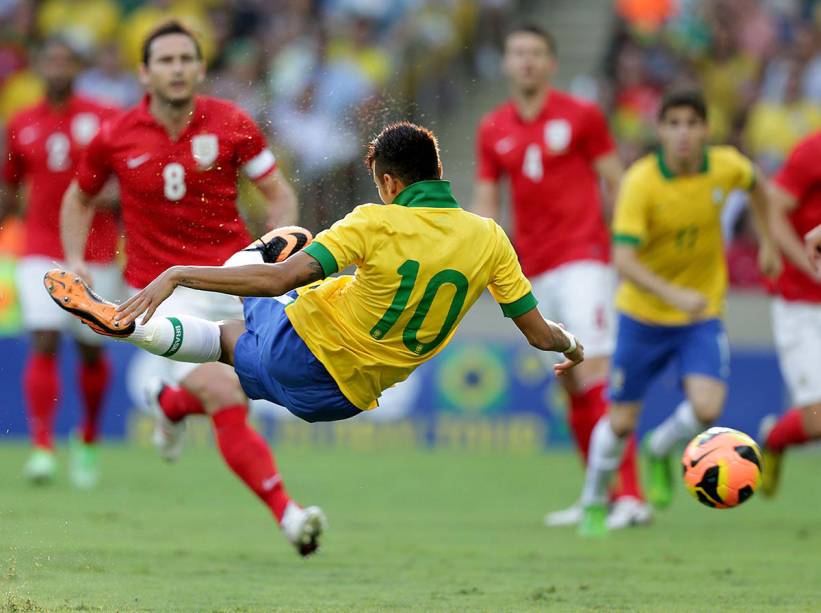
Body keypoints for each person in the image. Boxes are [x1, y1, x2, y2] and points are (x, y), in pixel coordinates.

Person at [46, 121, 585, 490]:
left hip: (300, 345)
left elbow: (276, 279)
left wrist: (178, 272)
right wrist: (572, 344)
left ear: (390, 182)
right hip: (338, 400)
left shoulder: (376, 220)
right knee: (226, 340)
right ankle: (129, 322)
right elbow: (540, 334)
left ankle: (129, 318)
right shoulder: (490, 239)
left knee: (251, 266)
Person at [59, 21, 319, 556]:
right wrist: (74, 260)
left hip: (238, 281)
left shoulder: (232, 123)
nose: (176, 68)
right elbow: (78, 198)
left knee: (258, 381)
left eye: (185, 59)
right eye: (165, 60)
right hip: (165, 292)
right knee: (225, 393)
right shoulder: (114, 135)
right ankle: (290, 517)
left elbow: (277, 194)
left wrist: (280, 247)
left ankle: (170, 405)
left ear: (200, 69)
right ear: (144, 72)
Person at [577, 89, 780, 536]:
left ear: (706, 129)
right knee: (619, 421)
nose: (683, 133)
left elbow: (759, 187)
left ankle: (661, 447)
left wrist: (767, 240)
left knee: (708, 408)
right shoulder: (641, 182)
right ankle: (593, 501)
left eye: (692, 123)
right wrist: (674, 294)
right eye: (674, 124)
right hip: (642, 317)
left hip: (699, 316)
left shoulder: (726, 165)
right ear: (660, 130)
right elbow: (624, 261)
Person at [472, 23, 647, 529]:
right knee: (570, 381)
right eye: (517, 52)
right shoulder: (492, 128)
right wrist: (483, 260)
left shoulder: (582, 116)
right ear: (506, 63)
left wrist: (630, 243)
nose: (526, 61)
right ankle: (598, 495)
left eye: (536, 53)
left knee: (595, 371)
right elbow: (487, 205)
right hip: (533, 268)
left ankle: (631, 496)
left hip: (585, 258)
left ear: (551, 63)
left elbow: (619, 183)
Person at [2, 37, 120, 488]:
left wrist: (116, 194)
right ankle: (42, 446)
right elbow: (10, 186)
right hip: (39, 246)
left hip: (96, 250)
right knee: (44, 337)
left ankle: (88, 437)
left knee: (91, 349)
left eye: (65, 60)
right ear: (38, 67)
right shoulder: (22, 122)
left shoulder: (103, 116)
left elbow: (125, 172)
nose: (56, 67)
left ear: (77, 66)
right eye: (49, 60)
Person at [758, 131, 821, 496]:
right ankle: (775, 439)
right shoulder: (812, 151)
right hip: (800, 301)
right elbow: (773, 209)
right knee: (816, 422)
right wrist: (809, 268)